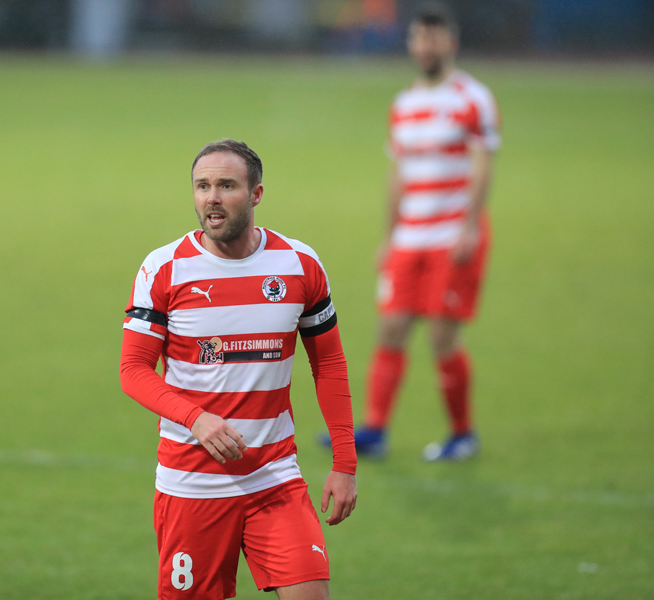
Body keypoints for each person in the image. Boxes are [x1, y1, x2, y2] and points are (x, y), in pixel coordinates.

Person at [120, 139, 358, 599]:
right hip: (192, 484)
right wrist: (196, 418)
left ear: (256, 194)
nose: (211, 197)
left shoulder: (298, 264)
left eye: (226, 185)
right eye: (202, 186)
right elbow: (133, 370)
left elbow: (328, 363)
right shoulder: (164, 269)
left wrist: (345, 463)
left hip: (275, 477)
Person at [348, 3, 501, 461]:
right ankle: (375, 431)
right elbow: (398, 175)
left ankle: (462, 433)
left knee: (441, 336)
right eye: (420, 38)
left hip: (452, 235)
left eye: (435, 38)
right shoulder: (404, 104)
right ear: (412, 44)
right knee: (390, 328)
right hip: (409, 237)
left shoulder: (472, 98)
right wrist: (388, 236)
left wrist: (471, 225)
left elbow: (482, 165)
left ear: (450, 42)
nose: (427, 46)